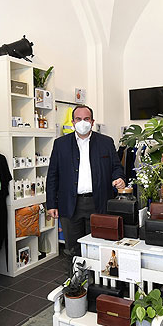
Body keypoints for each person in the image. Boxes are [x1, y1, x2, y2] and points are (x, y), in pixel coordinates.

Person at [47, 105, 126, 256]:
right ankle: (76, 278)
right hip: (70, 204)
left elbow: (116, 167)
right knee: (72, 248)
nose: (82, 122)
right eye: (78, 119)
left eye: (86, 119)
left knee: (98, 246)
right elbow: (52, 176)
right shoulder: (60, 144)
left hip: (99, 202)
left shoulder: (106, 142)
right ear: (72, 122)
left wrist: (119, 178)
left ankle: (94, 280)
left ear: (92, 121)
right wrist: (51, 204)